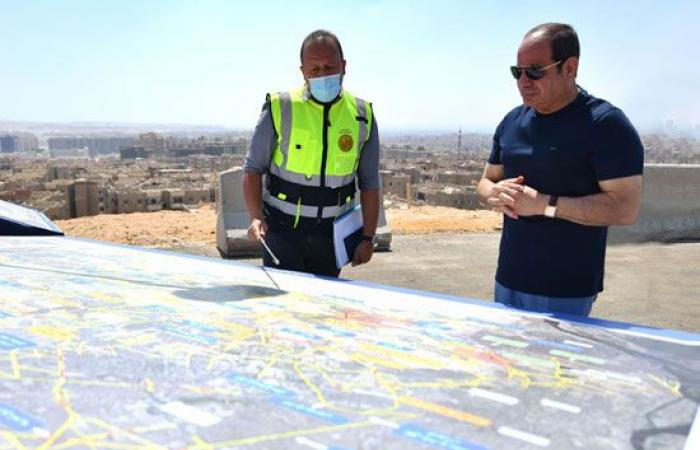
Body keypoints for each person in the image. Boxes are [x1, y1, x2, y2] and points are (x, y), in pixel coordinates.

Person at [477, 23, 644, 316]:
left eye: (535, 70)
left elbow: (625, 208)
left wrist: (544, 205)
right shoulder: (512, 122)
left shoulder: (605, 125)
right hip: (508, 281)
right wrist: (493, 193)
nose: (524, 81)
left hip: (565, 290)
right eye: (518, 71)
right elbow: (486, 180)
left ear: (570, 67)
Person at [242, 29, 380, 278]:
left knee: (322, 311)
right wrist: (255, 218)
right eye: (314, 70)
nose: (323, 75)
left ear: (344, 66)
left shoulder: (362, 115)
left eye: (330, 67)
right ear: (303, 71)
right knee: (282, 310)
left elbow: (370, 182)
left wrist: (368, 237)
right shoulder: (280, 107)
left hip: (330, 238)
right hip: (281, 232)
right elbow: (253, 169)